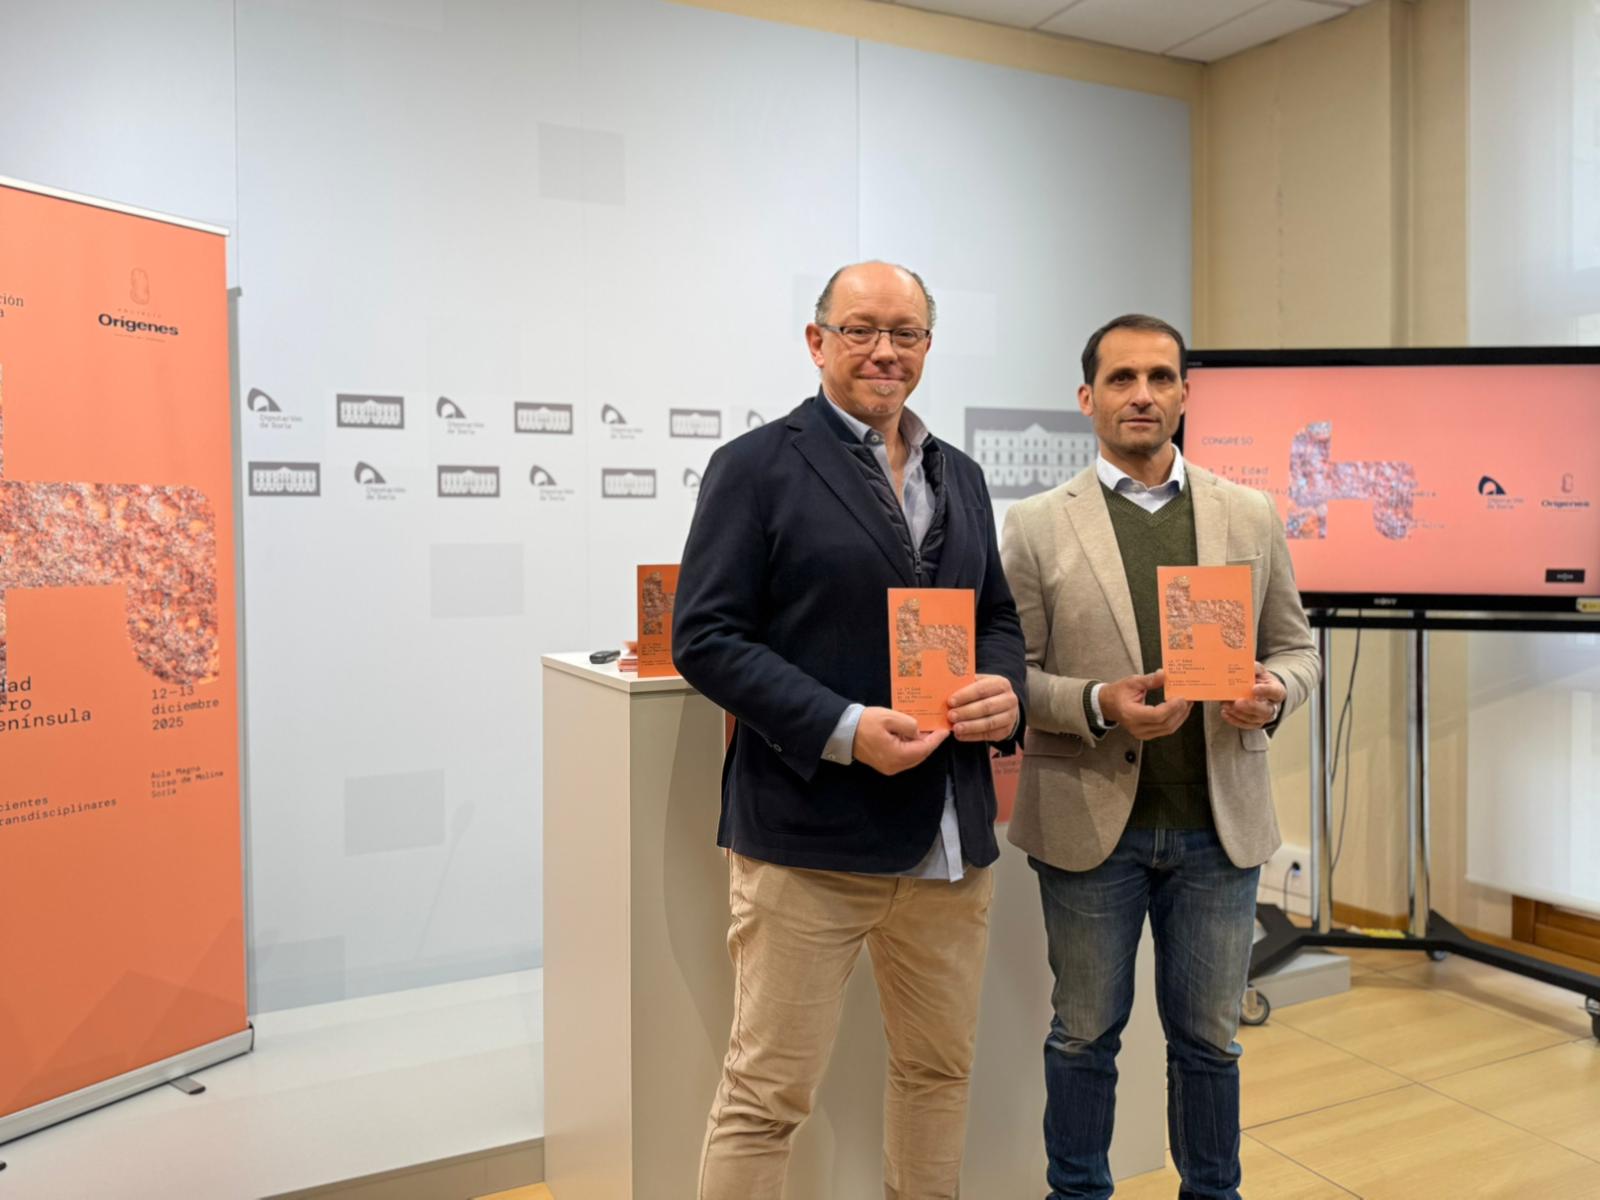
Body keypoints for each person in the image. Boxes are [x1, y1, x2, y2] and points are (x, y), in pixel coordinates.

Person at [672, 260, 1026, 1200]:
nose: (884, 351)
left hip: (948, 841)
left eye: (905, 333)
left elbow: (994, 614)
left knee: (938, 1074)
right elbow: (705, 638)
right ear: (816, 341)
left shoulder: (962, 474)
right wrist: (842, 726)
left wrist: (1007, 689)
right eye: (861, 329)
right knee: (766, 1097)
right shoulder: (755, 467)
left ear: (928, 346)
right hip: (809, 841)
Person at [999, 314, 1320, 1200]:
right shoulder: (1035, 525)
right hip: (1088, 825)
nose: (1141, 395)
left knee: (1210, 1042)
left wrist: (1276, 690)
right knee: (1082, 1038)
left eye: (1160, 378)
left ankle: (1213, 1193)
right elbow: (1011, 674)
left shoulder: (1248, 513)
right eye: (1121, 379)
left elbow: (1297, 649)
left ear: (1185, 393)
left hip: (1219, 829)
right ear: (1087, 398)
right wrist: (1098, 703)